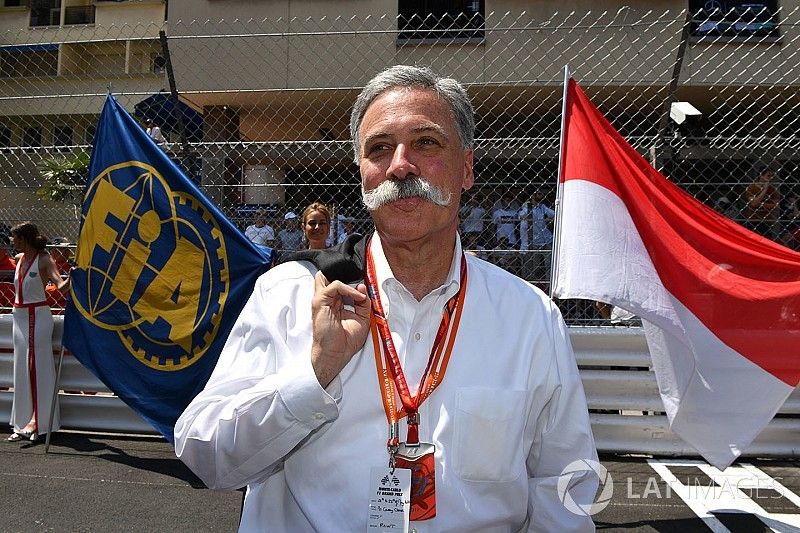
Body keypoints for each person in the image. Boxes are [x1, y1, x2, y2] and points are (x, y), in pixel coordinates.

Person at [175, 65, 597, 531]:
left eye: (426, 142)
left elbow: (564, 487)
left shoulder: (529, 317)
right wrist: (314, 374)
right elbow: (205, 456)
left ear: (467, 168)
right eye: (379, 148)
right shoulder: (288, 294)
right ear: (363, 175)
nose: (400, 164)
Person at [8, 222, 70, 442]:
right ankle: (22, 422)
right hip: (19, 317)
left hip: (38, 316)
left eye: (14, 238)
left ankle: (39, 422)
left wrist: (75, 276)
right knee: (22, 369)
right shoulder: (18, 260)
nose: (11, 241)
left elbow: (60, 286)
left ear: (24, 238)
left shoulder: (44, 259)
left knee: (37, 366)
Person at [519, 190, 556, 289]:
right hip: (535, 241)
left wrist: (549, 218)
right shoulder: (526, 207)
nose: (541, 196)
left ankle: (549, 287)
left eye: (542, 194)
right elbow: (521, 215)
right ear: (533, 195)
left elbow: (553, 214)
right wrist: (529, 206)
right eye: (539, 194)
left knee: (549, 265)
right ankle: (533, 287)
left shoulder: (542, 207)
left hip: (547, 239)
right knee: (534, 266)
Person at [744, 161, 780, 238]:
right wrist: (764, 190)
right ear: (761, 175)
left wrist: (761, 204)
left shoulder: (773, 190)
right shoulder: (752, 188)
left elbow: (776, 206)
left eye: (772, 176)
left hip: (766, 221)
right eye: (768, 176)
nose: (770, 178)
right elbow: (753, 203)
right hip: (753, 220)